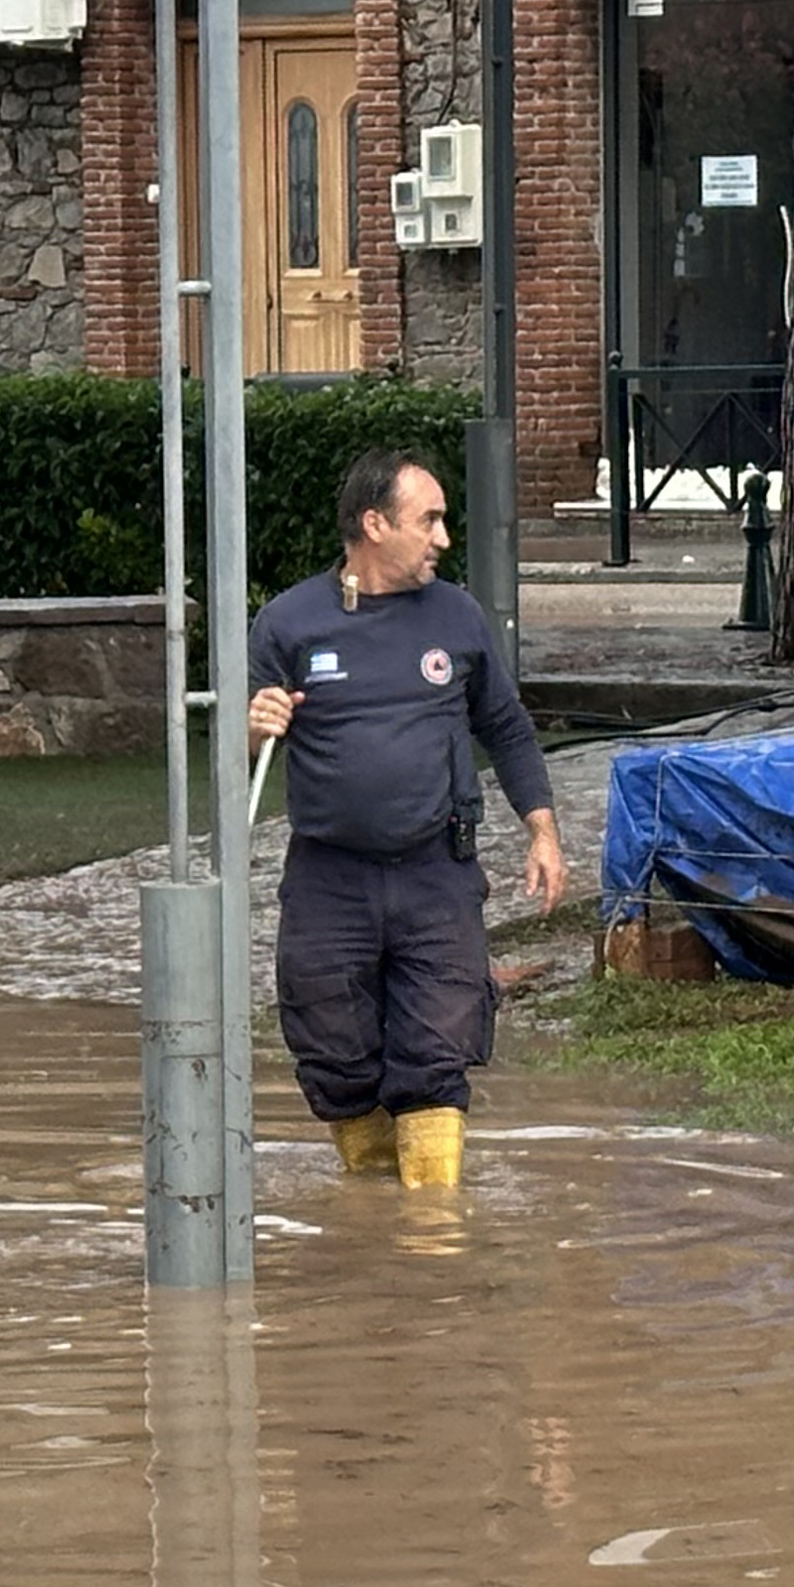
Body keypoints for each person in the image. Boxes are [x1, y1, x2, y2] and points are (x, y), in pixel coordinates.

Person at [244, 450, 565, 1190]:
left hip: (435, 874)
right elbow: (241, 754)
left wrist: (541, 831)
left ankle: (431, 1240)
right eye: (429, 521)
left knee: (434, 1057)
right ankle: (367, 1228)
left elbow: (508, 729)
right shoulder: (288, 623)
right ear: (374, 523)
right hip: (328, 879)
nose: (443, 538)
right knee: (334, 1057)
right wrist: (252, 727)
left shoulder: (457, 617)